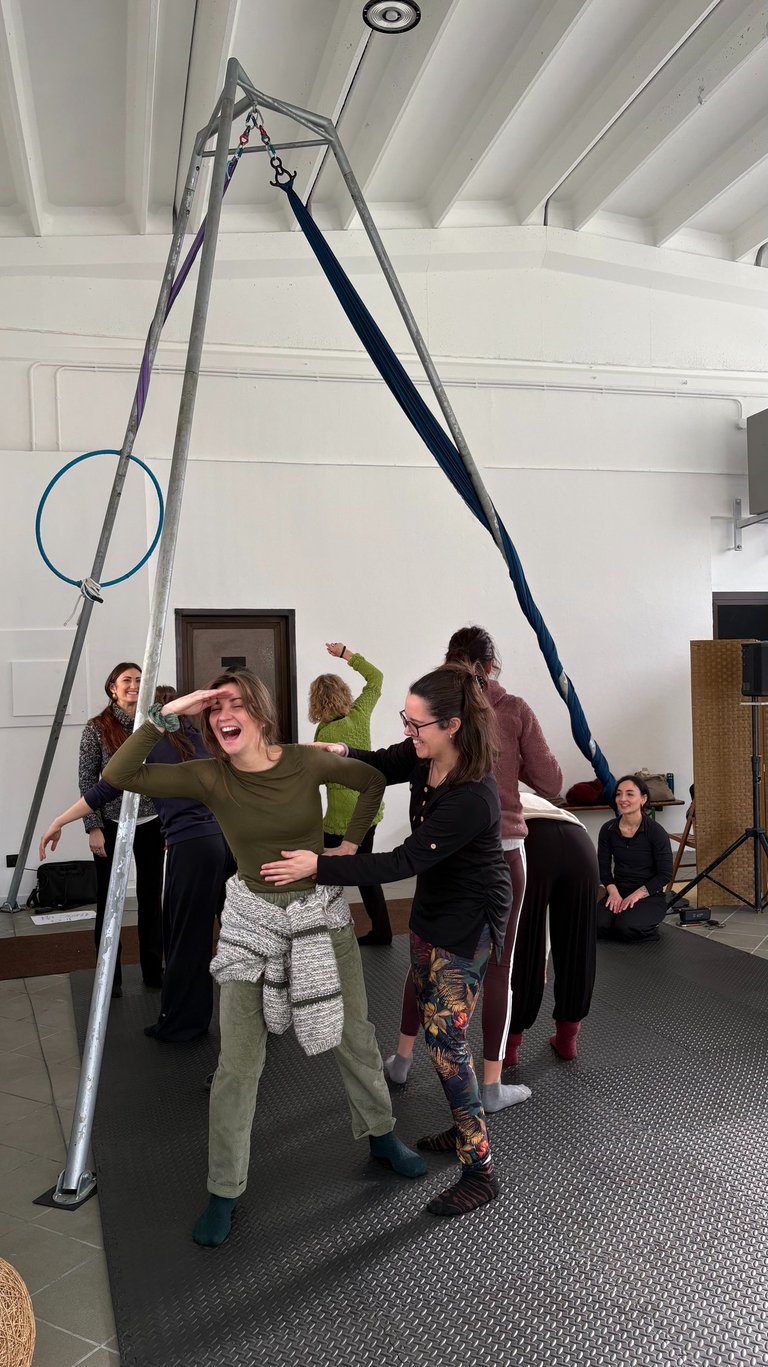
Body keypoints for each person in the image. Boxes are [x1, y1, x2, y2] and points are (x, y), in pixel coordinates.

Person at [101, 668, 425, 1248]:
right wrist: (168, 715)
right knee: (238, 1063)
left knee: (354, 1034)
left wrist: (347, 847)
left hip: (320, 916)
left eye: (234, 704)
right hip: (251, 926)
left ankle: (381, 1135)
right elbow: (118, 774)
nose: (223, 714)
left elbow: (374, 780)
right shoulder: (209, 775)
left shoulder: (304, 761)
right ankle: (224, 1187)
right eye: (214, 707)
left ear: (261, 711)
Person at [263, 661, 514, 1218]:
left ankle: (480, 1169)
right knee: (431, 1020)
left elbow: (401, 861)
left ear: (452, 726)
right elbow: (380, 760)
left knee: (446, 1043)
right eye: (406, 718)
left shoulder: (472, 796)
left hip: (468, 922)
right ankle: (462, 1128)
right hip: (433, 908)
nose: (408, 731)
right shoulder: (425, 756)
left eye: (416, 724)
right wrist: (340, 752)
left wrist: (319, 865)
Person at [383, 626, 563, 1111]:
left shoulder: (442, 713)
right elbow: (551, 782)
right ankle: (491, 1086)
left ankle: (401, 1060)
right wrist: (513, 764)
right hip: (499, 852)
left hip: (442, 849)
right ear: (490, 666)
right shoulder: (513, 710)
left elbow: (405, 760)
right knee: (499, 968)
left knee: (423, 956)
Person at [40, 687, 232, 1042]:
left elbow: (106, 786)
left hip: (193, 847)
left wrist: (60, 820)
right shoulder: (199, 740)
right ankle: (198, 1015)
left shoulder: (156, 746)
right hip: (216, 843)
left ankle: (184, 1023)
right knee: (204, 932)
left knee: (186, 938)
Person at [78, 662, 164, 995]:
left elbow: (167, 775)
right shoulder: (96, 728)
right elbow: (87, 780)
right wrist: (93, 827)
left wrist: (168, 823)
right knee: (108, 901)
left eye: (139, 680)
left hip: (152, 823)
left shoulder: (153, 725)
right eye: (126, 680)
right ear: (112, 687)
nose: (134, 685)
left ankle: (153, 971)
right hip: (111, 825)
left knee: (151, 899)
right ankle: (109, 978)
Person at [503, 793, 599, 1064]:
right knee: (578, 946)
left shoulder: (477, 803)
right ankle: (567, 1040)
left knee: (522, 947)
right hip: (580, 844)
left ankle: (508, 1049)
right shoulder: (524, 797)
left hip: (531, 844)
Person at [309, 641, 392, 946]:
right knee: (365, 872)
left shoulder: (324, 733)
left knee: (323, 873)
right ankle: (382, 930)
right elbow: (376, 678)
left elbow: (318, 774)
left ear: (316, 702)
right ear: (344, 694)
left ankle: (327, 935)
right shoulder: (360, 714)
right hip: (370, 811)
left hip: (341, 818)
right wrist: (346, 653)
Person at [596, 774, 673, 942]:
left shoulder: (656, 832)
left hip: (648, 895)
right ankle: (621, 920)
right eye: (618, 794)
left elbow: (665, 874)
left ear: (643, 799)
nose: (622, 799)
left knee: (626, 928)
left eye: (630, 794)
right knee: (597, 925)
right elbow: (603, 869)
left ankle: (648, 924)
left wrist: (636, 895)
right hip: (619, 890)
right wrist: (613, 893)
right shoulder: (608, 829)